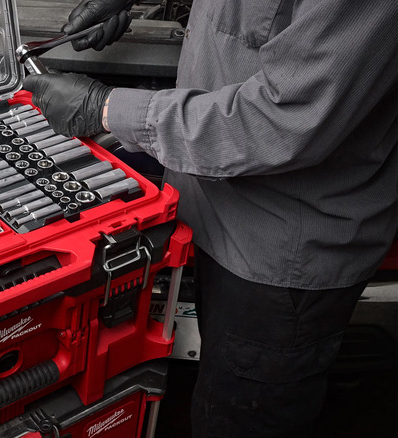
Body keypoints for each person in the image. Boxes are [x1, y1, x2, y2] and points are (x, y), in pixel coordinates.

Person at [23, 1, 397, 436]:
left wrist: (106, 108)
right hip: (214, 212)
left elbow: (284, 118)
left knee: (237, 419)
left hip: (278, 262)